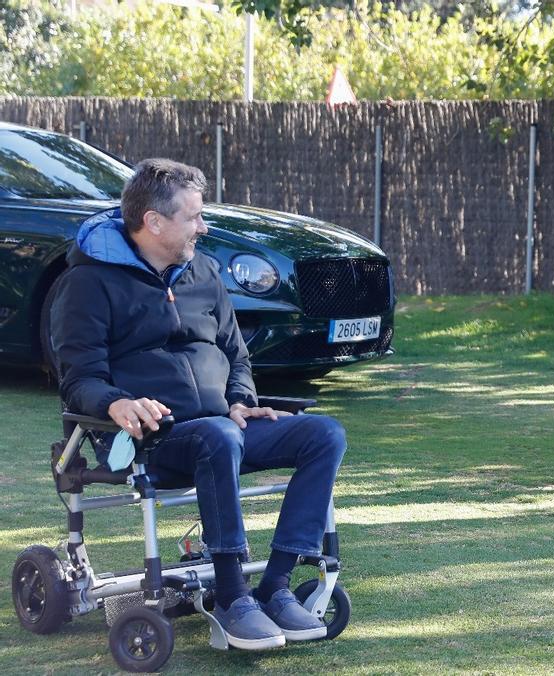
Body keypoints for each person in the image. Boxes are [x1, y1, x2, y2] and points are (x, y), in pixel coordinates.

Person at [52, 158, 346, 650]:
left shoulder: (203, 271)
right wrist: (116, 404)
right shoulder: (87, 285)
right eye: (193, 217)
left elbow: (237, 355)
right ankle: (231, 597)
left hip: (222, 429)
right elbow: (78, 378)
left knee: (322, 433)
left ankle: (274, 587)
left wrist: (240, 400)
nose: (203, 227)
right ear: (153, 222)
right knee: (217, 435)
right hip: (150, 439)